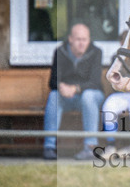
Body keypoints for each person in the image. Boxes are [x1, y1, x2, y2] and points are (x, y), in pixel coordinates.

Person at [43, 23, 104, 160]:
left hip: (92, 95)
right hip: (68, 97)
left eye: (85, 39)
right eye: (78, 40)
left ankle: (90, 147)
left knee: (87, 96)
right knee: (54, 95)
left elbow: (94, 82)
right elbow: (52, 81)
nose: (82, 43)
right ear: (70, 39)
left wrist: (75, 88)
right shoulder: (60, 52)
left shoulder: (96, 52)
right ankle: (49, 147)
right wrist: (61, 87)